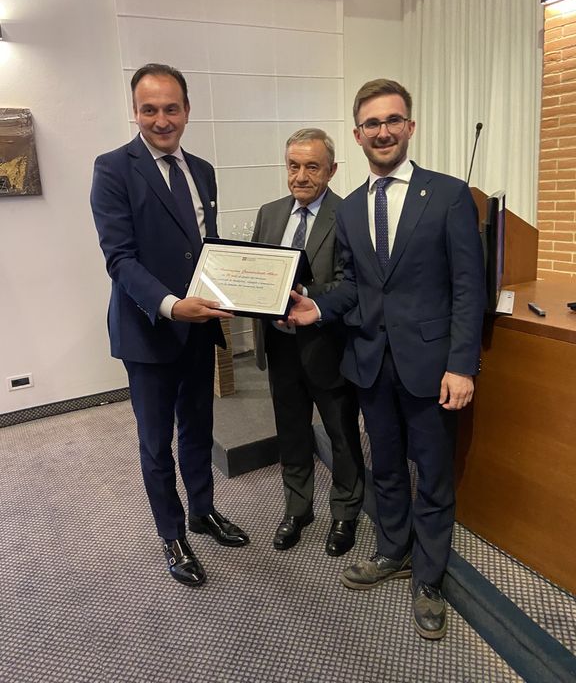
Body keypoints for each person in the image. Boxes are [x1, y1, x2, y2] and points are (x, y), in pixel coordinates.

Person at [287, 80, 485, 639]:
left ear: (410, 127)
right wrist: (316, 308)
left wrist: (462, 365)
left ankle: (428, 578)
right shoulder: (350, 209)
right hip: (371, 363)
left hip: (432, 366)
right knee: (388, 468)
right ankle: (393, 550)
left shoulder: (448, 195)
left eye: (393, 120)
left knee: (434, 475)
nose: (383, 131)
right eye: (371, 123)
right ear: (357, 135)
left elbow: (468, 288)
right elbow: (354, 285)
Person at [90, 63, 249, 588]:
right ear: (135, 112)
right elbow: (119, 259)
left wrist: (240, 285)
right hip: (148, 330)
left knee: (198, 428)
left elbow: (206, 248)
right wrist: (170, 305)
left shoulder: (202, 169)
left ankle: (202, 511)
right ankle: (172, 534)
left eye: (171, 108)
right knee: (156, 443)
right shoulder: (113, 169)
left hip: (199, 329)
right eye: (150, 109)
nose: (162, 120)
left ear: (187, 110)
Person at [252, 129, 364, 557]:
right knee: (291, 432)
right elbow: (258, 271)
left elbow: (353, 283)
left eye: (312, 167)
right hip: (280, 345)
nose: (300, 176)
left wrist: (307, 295)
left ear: (331, 170)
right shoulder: (269, 213)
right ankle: (297, 509)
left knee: (341, 434)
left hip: (327, 346)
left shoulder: (348, 214)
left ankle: (345, 512)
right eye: (294, 166)